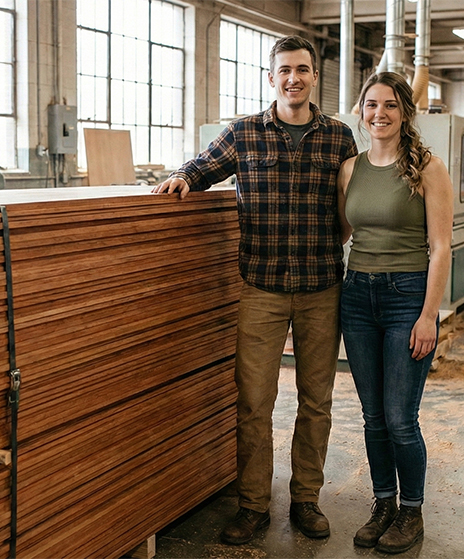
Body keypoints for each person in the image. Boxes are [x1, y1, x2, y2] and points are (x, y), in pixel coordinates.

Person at [152, 35, 357, 545]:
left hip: (321, 289)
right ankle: (253, 506)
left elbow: (351, 204)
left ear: (315, 77)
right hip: (261, 289)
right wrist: (181, 177)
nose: (294, 78)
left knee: (316, 402)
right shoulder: (242, 133)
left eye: (303, 70)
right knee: (254, 403)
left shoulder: (338, 137)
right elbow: (200, 168)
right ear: (271, 78)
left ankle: (306, 501)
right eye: (284, 70)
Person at [335, 72, 453, 553]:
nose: (378, 113)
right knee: (372, 415)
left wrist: (429, 315)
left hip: (408, 296)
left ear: (405, 112)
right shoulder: (350, 169)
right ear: (360, 112)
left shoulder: (427, 167)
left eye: (389, 104)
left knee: (401, 417)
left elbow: (442, 247)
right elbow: (344, 233)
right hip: (357, 296)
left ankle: (412, 511)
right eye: (370, 104)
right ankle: (383, 502)